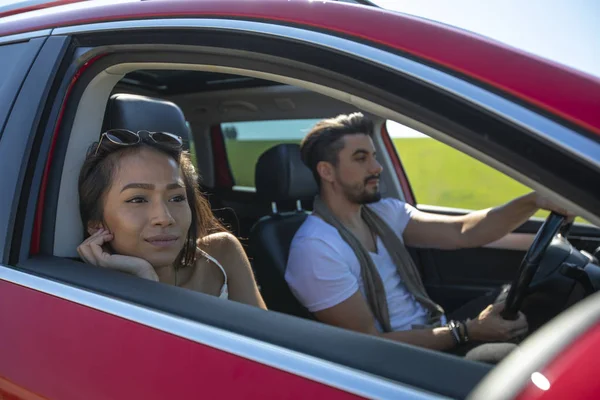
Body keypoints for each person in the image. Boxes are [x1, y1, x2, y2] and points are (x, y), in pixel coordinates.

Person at [285, 113, 571, 363]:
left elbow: (463, 231)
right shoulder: (316, 249)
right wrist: (467, 331)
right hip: (402, 360)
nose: (376, 167)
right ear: (326, 171)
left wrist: (534, 200)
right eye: (361, 158)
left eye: (373, 156)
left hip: (434, 330)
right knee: (514, 362)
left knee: (544, 294)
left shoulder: (382, 213)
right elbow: (369, 345)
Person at [77, 128, 266, 309]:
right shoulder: (85, 299)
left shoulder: (223, 252)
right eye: (138, 199)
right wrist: (146, 278)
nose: (165, 218)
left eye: (177, 198)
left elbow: (266, 338)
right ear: (97, 225)